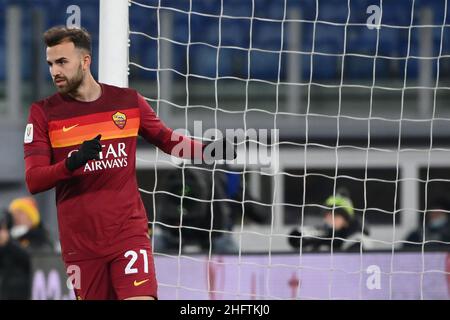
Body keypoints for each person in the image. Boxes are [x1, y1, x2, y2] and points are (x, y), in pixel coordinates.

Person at [23, 26, 235, 300]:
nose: (55, 71)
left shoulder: (127, 102)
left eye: (62, 62)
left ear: (85, 61)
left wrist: (210, 149)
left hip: (128, 232)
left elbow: (168, 140)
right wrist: (72, 163)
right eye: (50, 63)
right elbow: (34, 180)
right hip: (81, 244)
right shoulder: (43, 113)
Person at [153, 167, 238, 254]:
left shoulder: (213, 183)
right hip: (174, 233)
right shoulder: (170, 190)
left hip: (209, 231)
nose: (183, 195)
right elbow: (163, 223)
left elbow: (219, 224)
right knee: (157, 241)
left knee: (224, 243)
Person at [0, 197, 53, 299]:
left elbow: (35, 260)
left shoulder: (40, 236)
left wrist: (8, 244)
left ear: (31, 217)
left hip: (29, 293)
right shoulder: (11, 238)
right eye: (13, 213)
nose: (16, 216)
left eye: (20, 212)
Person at [288, 190, 371, 252]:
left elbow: (349, 264)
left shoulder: (358, 240)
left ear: (346, 219)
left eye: (334, 215)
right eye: (326, 215)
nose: (328, 219)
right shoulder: (329, 234)